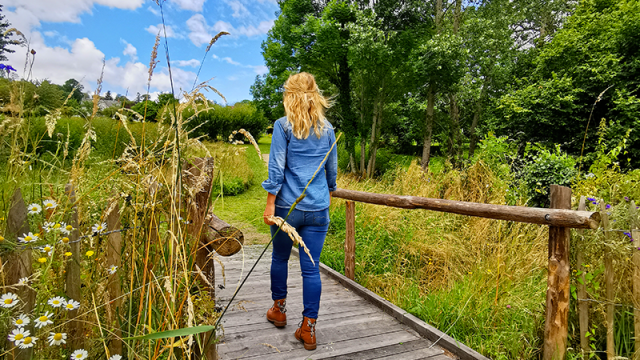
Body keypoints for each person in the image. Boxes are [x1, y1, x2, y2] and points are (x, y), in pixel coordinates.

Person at [261, 72, 338, 351]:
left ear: (289, 95)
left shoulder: (283, 127)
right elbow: (331, 173)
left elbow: (276, 168)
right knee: (311, 269)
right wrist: (325, 195)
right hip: (318, 209)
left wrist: (270, 204)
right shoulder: (328, 129)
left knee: (280, 257)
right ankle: (308, 328)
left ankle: (279, 310)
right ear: (315, 95)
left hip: (287, 207)